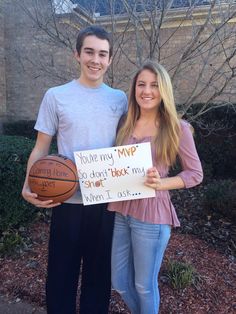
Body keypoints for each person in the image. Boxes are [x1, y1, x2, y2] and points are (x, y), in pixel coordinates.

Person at [22, 25, 127, 314]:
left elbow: (131, 146)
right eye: (90, 52)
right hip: (65, 200)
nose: (96, 59)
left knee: (98, 277)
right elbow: (41, 147)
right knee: (60, 276)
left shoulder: (120, 99)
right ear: (77, 55)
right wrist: (27, 184)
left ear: (110, 59)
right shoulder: (56, 96)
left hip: (105, 203)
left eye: (102, 54)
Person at [108, 60, 203, 314]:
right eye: (141, 84)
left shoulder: (177, 128)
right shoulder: (125, 123)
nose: (146, 91)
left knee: (144, 286)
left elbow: (195, 174)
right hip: (121, 211)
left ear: (164, 91)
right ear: (134, 89)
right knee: (119, 282)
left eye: (154, 85)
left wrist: (161, 183)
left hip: (152, 216)